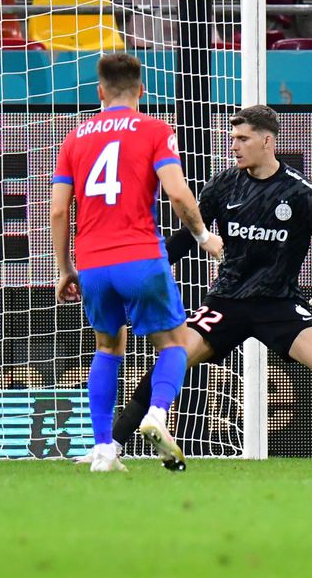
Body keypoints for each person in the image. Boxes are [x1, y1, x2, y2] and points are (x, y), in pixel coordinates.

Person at [95, 105, 312, 467]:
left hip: (278, 304)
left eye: (243, 138)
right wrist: (143, 273)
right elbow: (186, 239)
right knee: (171, 361)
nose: (234, 146)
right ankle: (112, 446)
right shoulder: (223, 185)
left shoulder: (299, 192)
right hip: (227, 301)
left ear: (267, 141)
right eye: (233, 138)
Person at [51, 52, 223, 472]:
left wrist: (64, 268)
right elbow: (177, 193)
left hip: (93, 263)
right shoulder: (155, 130)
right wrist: (203, 236)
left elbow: (58, 210)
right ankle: (157, 414)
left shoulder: (75, 138)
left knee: (107, 347)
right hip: (140, 256)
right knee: (175, 343)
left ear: (100, 92)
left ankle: (103, 450)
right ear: (141, 90)